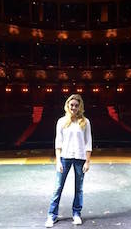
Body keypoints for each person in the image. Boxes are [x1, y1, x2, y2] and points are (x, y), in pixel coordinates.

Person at [45, 94, 92, 228]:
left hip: (80, 158)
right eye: (72, 105)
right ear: (67, 105)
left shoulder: (85, 122)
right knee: (58, 187)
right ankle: (51, 215)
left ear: (80, 106)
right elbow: (58, 142)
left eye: (77, 105)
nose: (74, 107)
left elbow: (88, 142)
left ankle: (76, 214)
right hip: (64, 157)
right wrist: (58, 161)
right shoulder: (61, 121)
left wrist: (87, 161)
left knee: (79, 188)